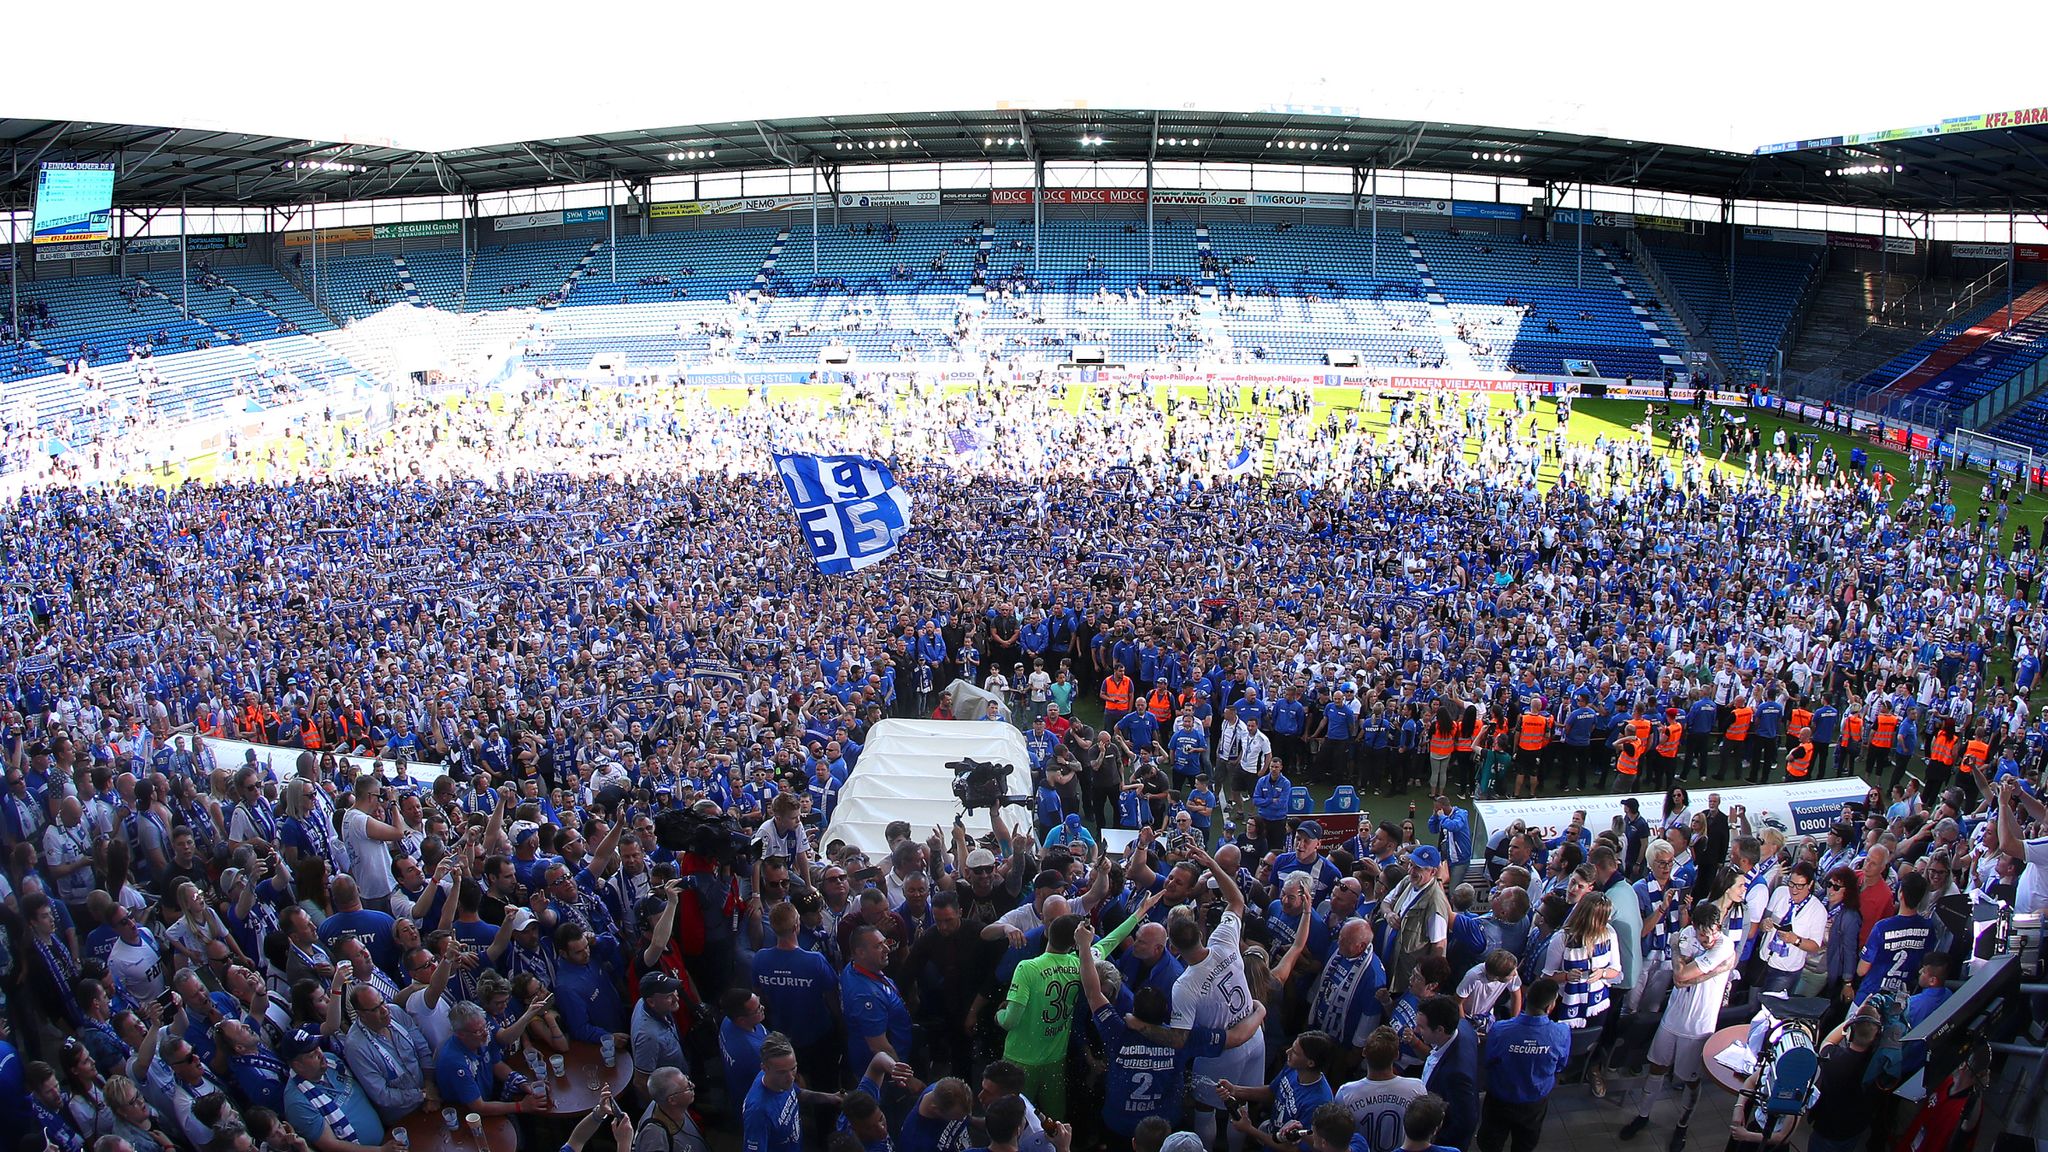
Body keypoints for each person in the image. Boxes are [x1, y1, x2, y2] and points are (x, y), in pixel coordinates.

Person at [1620, 902, 1737, 1150]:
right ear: (1694, 927)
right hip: (1673, 1017)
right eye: (1703, 935)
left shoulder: (1723, 945)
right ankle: (1642, 1116)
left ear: (1719, 927)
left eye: (1712, 933)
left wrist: (1678, 956)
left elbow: (1682, 976)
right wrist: (1701, 967)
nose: (1708, 940)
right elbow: (1679, 979)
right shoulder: (1686, 935)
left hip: (1699, 1024)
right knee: (1657, 1067)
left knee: (1690, 1079)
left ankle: (1682, 1127)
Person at [1476, 977, 1570, 1152]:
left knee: (1490, 1143)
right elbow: (1561, 1065)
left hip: (1500, 1099)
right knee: (1525, 1144)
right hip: (1534, 1102)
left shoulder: (1501, 1029)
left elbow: (1488, 1060)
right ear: (1550, 1006)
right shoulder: (1561, 1033)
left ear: (1526, 999)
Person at [277, 1029, 389, 1152]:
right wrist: (381, 1150)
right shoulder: (297, 1103)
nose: (321, 1054)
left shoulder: (332, 1061)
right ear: (298, 1065)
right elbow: (330, 1145)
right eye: (312, 1054)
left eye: (317, 1047)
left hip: (388, 1136)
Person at [1334, 1027, 1425, 1152]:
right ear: (1396, 1055)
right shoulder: (1416, 1088)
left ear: (1364, 1052)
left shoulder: (1346, 1093)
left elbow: (1339, 1139)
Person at [1412, 996, 1477, 1152]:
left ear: (1440, 1030)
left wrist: (1435, 1145)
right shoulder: (1462, 1025)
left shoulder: (1456, 1074)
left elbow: (1466, 1122)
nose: (1416, 1030)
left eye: (1421, 1027)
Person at [635, 1070, 711, 1152]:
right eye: (688, 1087)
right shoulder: (655, 1136)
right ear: (672, 1100)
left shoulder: (664, 1101)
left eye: (688, 1080)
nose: (693, 1085)